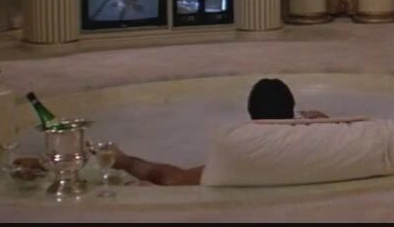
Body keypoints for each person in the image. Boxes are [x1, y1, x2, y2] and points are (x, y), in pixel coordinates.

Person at [107, 78, 327, 186]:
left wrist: (127, 162)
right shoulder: (314, 139)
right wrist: (321, 121)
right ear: (291, 111)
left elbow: (172, 178)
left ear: (252, 116)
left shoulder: (241, 149)